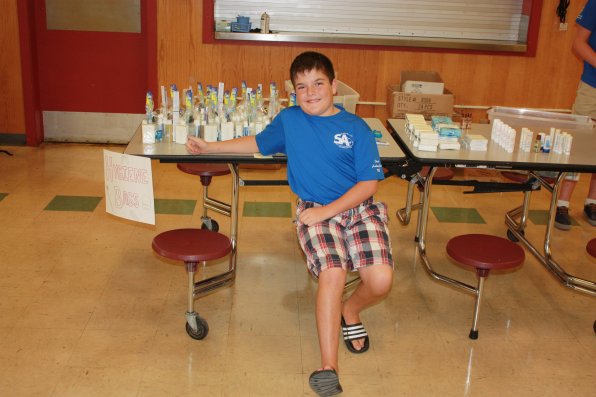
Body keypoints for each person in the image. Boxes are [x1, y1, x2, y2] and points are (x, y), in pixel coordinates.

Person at [186, 51, 394, 396]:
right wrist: (211, 144)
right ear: (293, 92)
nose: (310, 93)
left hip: (359, 208)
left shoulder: (356, 127)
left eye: (318, 83)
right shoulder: (290, 120)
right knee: (333, 272)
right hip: (314, 208)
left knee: (381, 280)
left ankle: (351, 310)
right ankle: (329, 366)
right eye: (302, 87)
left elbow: (368, 185)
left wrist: (328, 213)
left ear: (334, 85)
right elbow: (257, 143)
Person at [554, 0, 596, 230]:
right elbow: (579, 44)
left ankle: (592, 202)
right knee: (578, 145)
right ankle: (562, 203)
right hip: (592, 87)